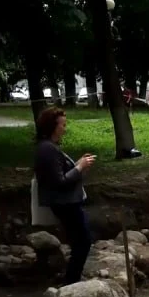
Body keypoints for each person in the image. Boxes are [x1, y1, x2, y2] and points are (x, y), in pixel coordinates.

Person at [34, 106, 97, 285]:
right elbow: (59, 181)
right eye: (62, 125)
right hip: (65, 203)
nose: (65, 128)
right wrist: (80, 167)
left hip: (66, 202)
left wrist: (78, 165)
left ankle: (72, 279)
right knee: (83, 241)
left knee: (80, 241)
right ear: (52, 127)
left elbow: (59, 173)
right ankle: (71, 281)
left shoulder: (49, 147)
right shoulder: (47, 149)